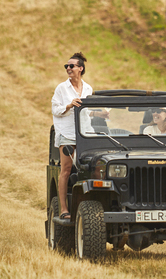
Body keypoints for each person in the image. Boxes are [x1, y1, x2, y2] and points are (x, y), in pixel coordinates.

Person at [51, 52, 107, 220]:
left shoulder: (88, 88)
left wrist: (100, 113)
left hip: (85, 133)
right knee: (66, 169)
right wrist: (69, 105)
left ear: (80, 69)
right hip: (67, 134)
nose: (68, 68)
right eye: (66, 66)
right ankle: (64, 208)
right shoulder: (61, 88)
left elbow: (87, 113)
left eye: (71, 66)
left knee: (94, 168)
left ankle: (95, 205)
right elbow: (55, 110)